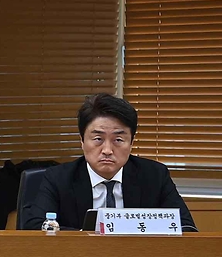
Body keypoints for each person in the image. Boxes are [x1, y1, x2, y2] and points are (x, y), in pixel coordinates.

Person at [25, 93, 195, 231]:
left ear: (131, 143)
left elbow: (186, 227)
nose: (107, 150)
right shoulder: (58, 178)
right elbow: (35, 228)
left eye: (118, 140)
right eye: (98, 139)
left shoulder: (154, 176)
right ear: (82, 141)